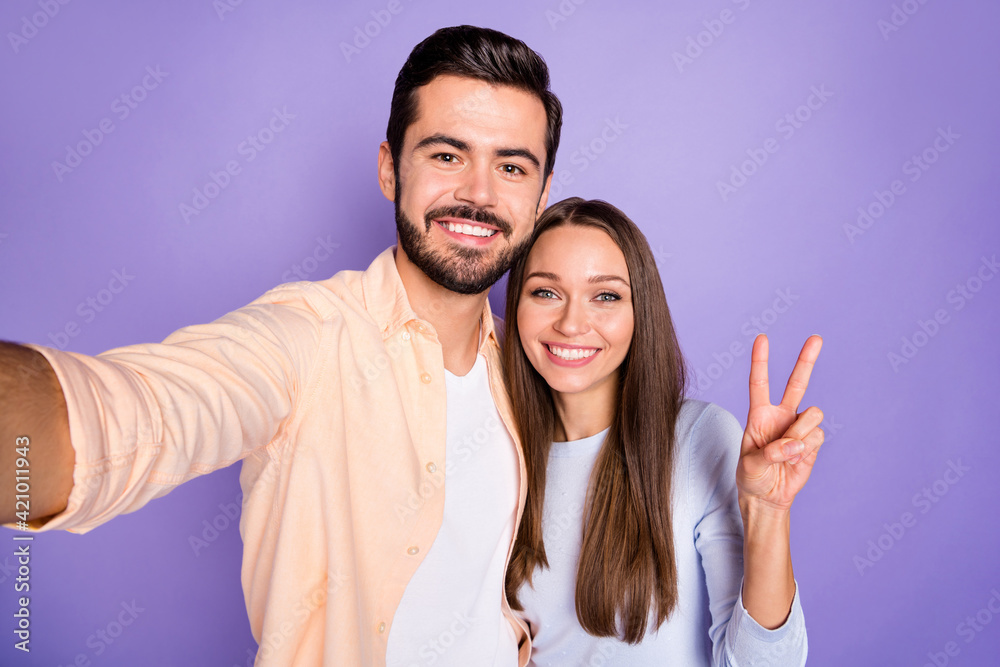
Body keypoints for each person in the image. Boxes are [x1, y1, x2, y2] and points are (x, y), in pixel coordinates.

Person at [0, 26, 563, 666]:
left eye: (512, 166)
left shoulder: (528, 369)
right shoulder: (307, 337)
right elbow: (145, 412)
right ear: (389, 168)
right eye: (446, 155)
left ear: (540, 196)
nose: (480, 193)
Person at [502, 197, 823, 665]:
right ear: (516, 306)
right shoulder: (498, 449)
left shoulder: (698, 439)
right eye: (545, 292)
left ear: (640, 314)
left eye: (606, 296)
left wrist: (769, 512)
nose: (571, 323)